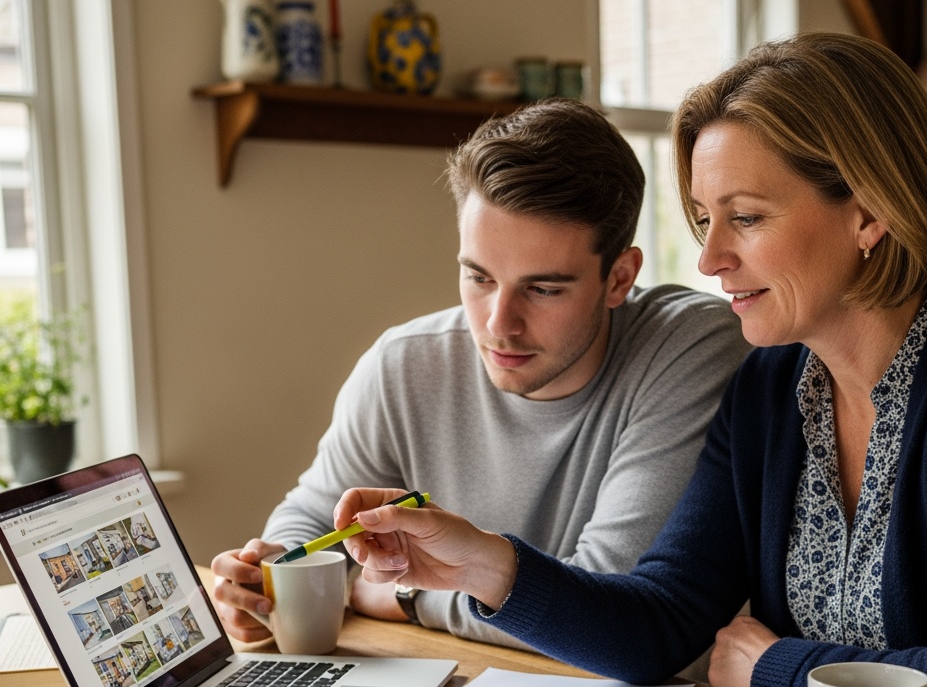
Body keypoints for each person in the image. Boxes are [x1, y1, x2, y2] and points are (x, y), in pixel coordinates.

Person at [340, 33, 927, 687]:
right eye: (704, 217)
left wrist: (771, 670)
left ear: (868, 211)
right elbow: (661, 623)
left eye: (748, 217)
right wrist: (485, 566)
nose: (710, 258)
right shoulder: (771, 388)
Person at [211, 98, 748, 649]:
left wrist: (406, 597)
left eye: (543, 289)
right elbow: (312, 520)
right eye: (479, 277)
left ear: (619, 278)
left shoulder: (691, 347)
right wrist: (267, 579)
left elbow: (611, 605)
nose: (499, 324)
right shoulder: (403, 363)